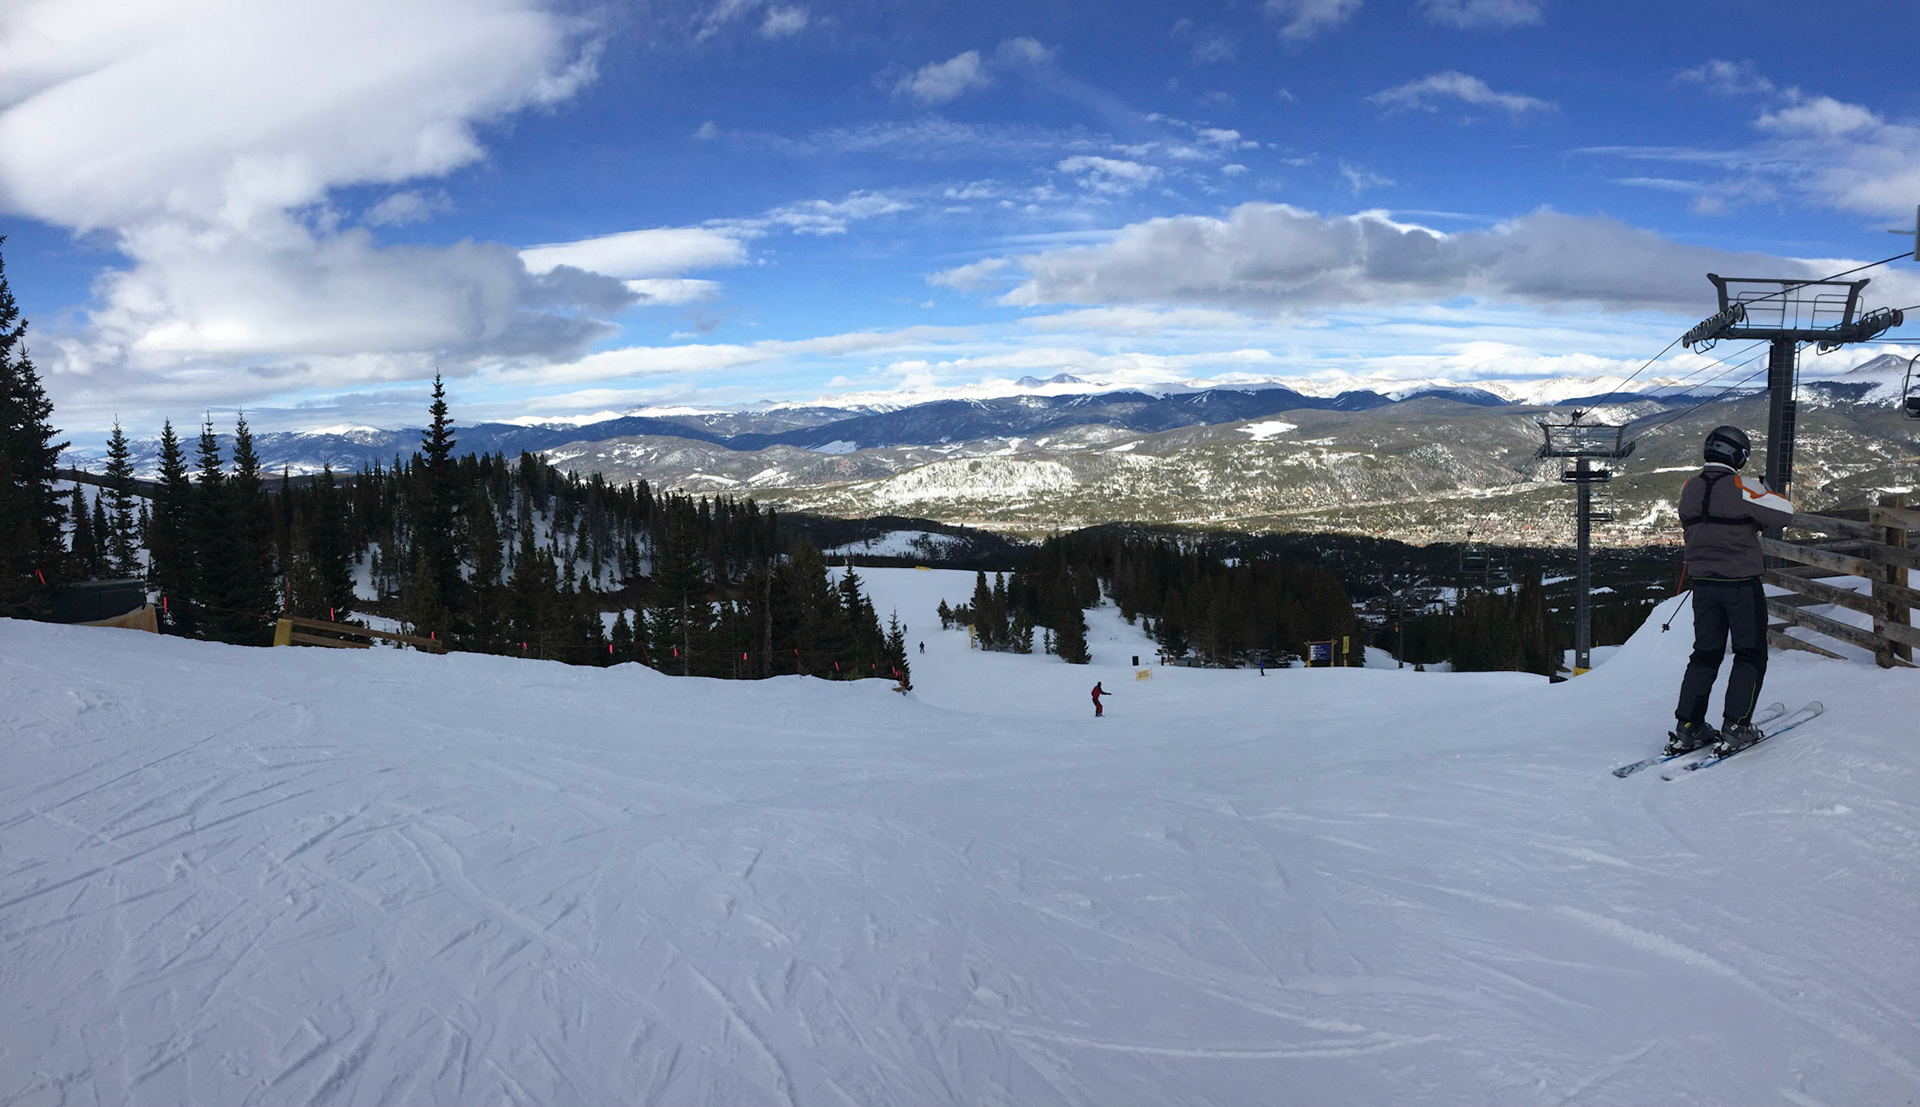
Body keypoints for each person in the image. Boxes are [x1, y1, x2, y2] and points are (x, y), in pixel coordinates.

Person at [1666, 425, 1794, 756]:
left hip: (1704, 585)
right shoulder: (1742, 486)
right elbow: (1785, 513)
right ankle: (1736, 726)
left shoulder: (1689, 487)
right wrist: (1765, 492)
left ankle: (1688, 726)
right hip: (1740, 584)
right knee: (1750, 653)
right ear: (1737, 455)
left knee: (1704, 654)